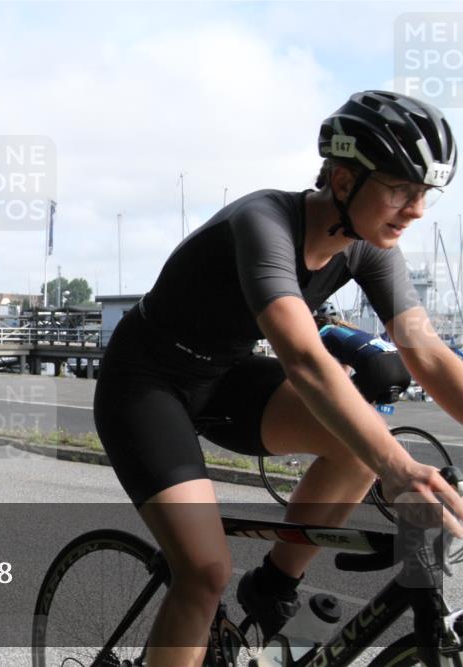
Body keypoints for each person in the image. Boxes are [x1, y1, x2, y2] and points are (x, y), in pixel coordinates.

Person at [92, 90, 463, 667]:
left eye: (424, 195)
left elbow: (431, 358)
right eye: (401, 189)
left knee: (358, 441)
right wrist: (401, 469)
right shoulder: (263, 221)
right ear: (343, 182)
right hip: (145, 382)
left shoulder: (370, 250)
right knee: (204, 570)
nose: (415, 209)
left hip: (225, 375)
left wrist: (385, 458)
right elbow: (305, 359)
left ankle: (272, 585)